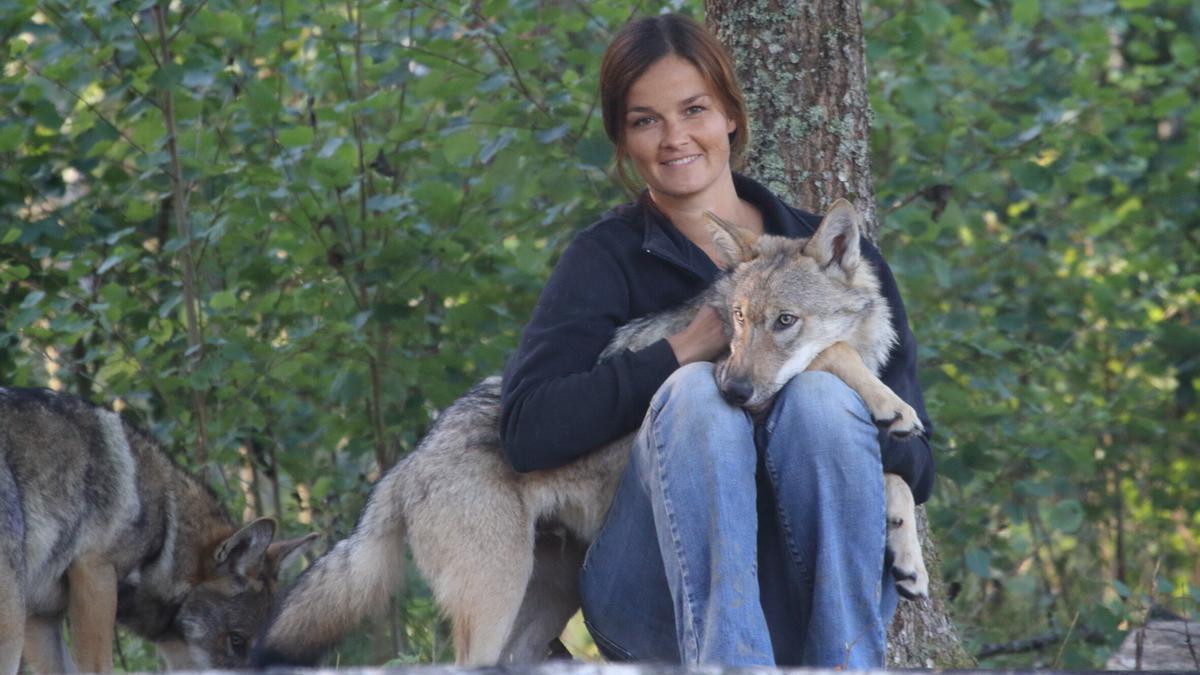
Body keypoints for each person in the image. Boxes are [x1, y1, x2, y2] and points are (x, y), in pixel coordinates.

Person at [499, 13, 933, 668]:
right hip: (654, 599)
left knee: (818, 401)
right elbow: (529, 430)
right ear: (622, 137)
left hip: (809, 592)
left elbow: (918, 452)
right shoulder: (604, 259)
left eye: (694, 109)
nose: (675, 138)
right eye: (646, 120)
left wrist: (832, 390)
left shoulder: (833, 259)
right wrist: (683, 350)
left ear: (730, 113)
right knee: (697, 398)